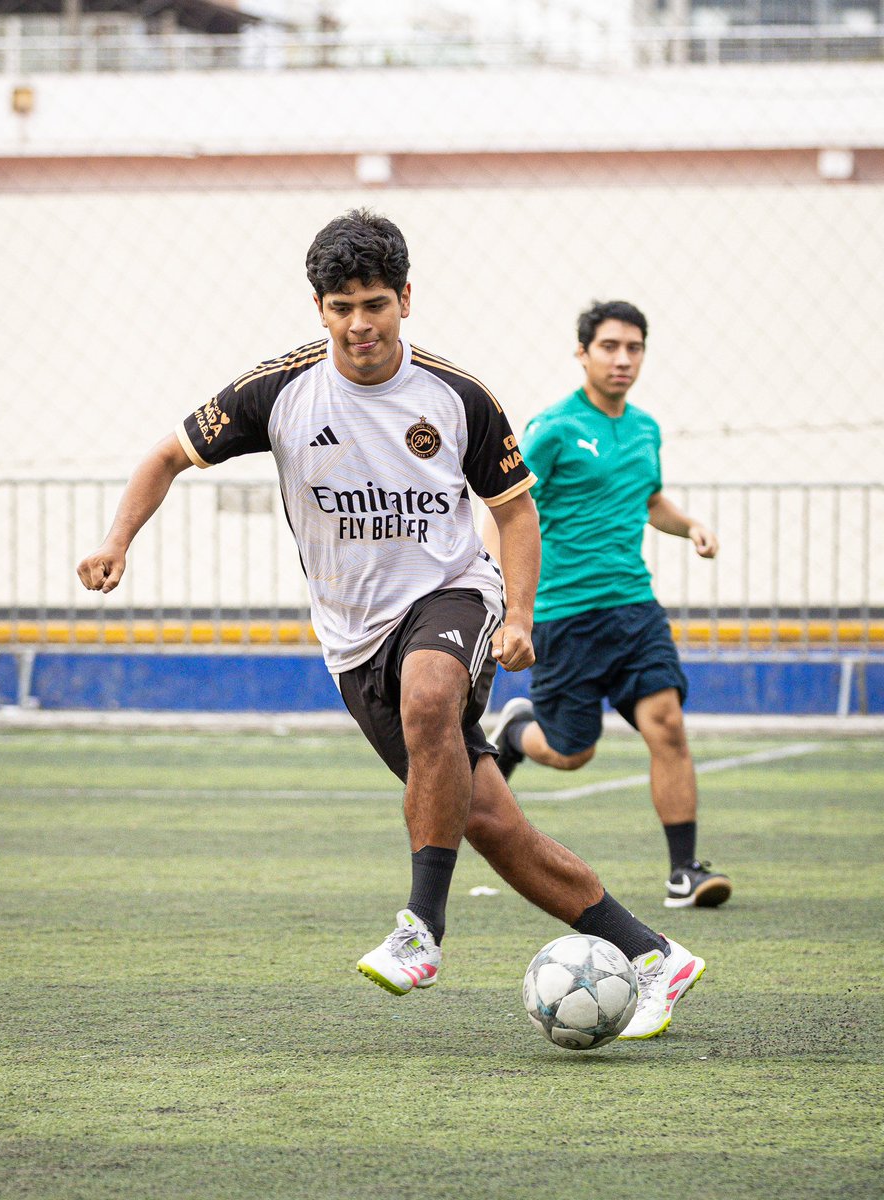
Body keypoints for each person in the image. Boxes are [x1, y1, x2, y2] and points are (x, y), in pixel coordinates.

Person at [77, 215, 705, 1038]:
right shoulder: (276, 392)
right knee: (491, 824)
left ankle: (421, 930)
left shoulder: (457, 396)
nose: (359, 324)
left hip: (452, 594)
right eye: (341, 307)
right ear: (319, 308)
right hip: (353, 641)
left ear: (405, 298)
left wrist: (518, 615)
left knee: (430, 693)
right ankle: (655, 954)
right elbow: (165, 456)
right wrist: (116, 541)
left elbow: (516, 512)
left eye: (374, 303)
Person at [488, 299, 732, 910]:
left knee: (666, 724)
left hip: (634, 608)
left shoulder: (645, 428)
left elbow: (649, 502)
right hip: (564, 615)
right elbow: (506, 507)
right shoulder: (553, 428)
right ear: (583, 353)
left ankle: (684, 873)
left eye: (634, 348)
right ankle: (517, 732)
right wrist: (500, 595)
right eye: (610, 347)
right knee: (572, 752)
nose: (623, 359)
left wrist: (690, 526)